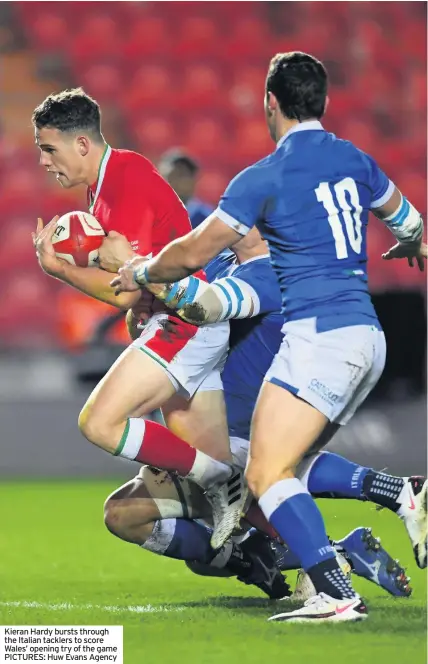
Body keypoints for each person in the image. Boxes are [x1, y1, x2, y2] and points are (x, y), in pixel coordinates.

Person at [111, 52, 425, 623]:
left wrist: (143, 273)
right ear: (324, 104)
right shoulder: (356, 159)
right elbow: (411, 225)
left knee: (262, 472)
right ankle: (385, 508)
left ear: (270, 102)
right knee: (277, 462)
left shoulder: (264, 178)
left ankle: (333, 588)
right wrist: (411, 246)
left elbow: (194, 256)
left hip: (320, 335)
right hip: (367, 333)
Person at [105, 228, 411, 600]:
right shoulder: (221, 262)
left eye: (245, 216)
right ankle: (298, 551)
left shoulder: (273, 273)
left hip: (242, 428)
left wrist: (141, 272)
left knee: (128, 513)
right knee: (202, 553)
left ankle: (337, 549)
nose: (231, 221)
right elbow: (165, 321)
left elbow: (203, 306)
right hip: (208, 426)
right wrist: (147, 313)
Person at [31, 88, 247, 525]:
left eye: (49, 149)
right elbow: (134, 285)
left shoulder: (125, 179)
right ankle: (308, 558)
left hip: (183, 323)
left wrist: (60, 271)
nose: (44, 162)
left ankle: (222, 479)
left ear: (82, 144)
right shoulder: (104, 189)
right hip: (186, 323)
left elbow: (124, 290)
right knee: (215, 502)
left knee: (100, 423)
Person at [158, 150, 214, 229]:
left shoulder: (206, 219)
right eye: (171, 176)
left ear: (194, 181)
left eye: (182, 176)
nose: (176, 182)